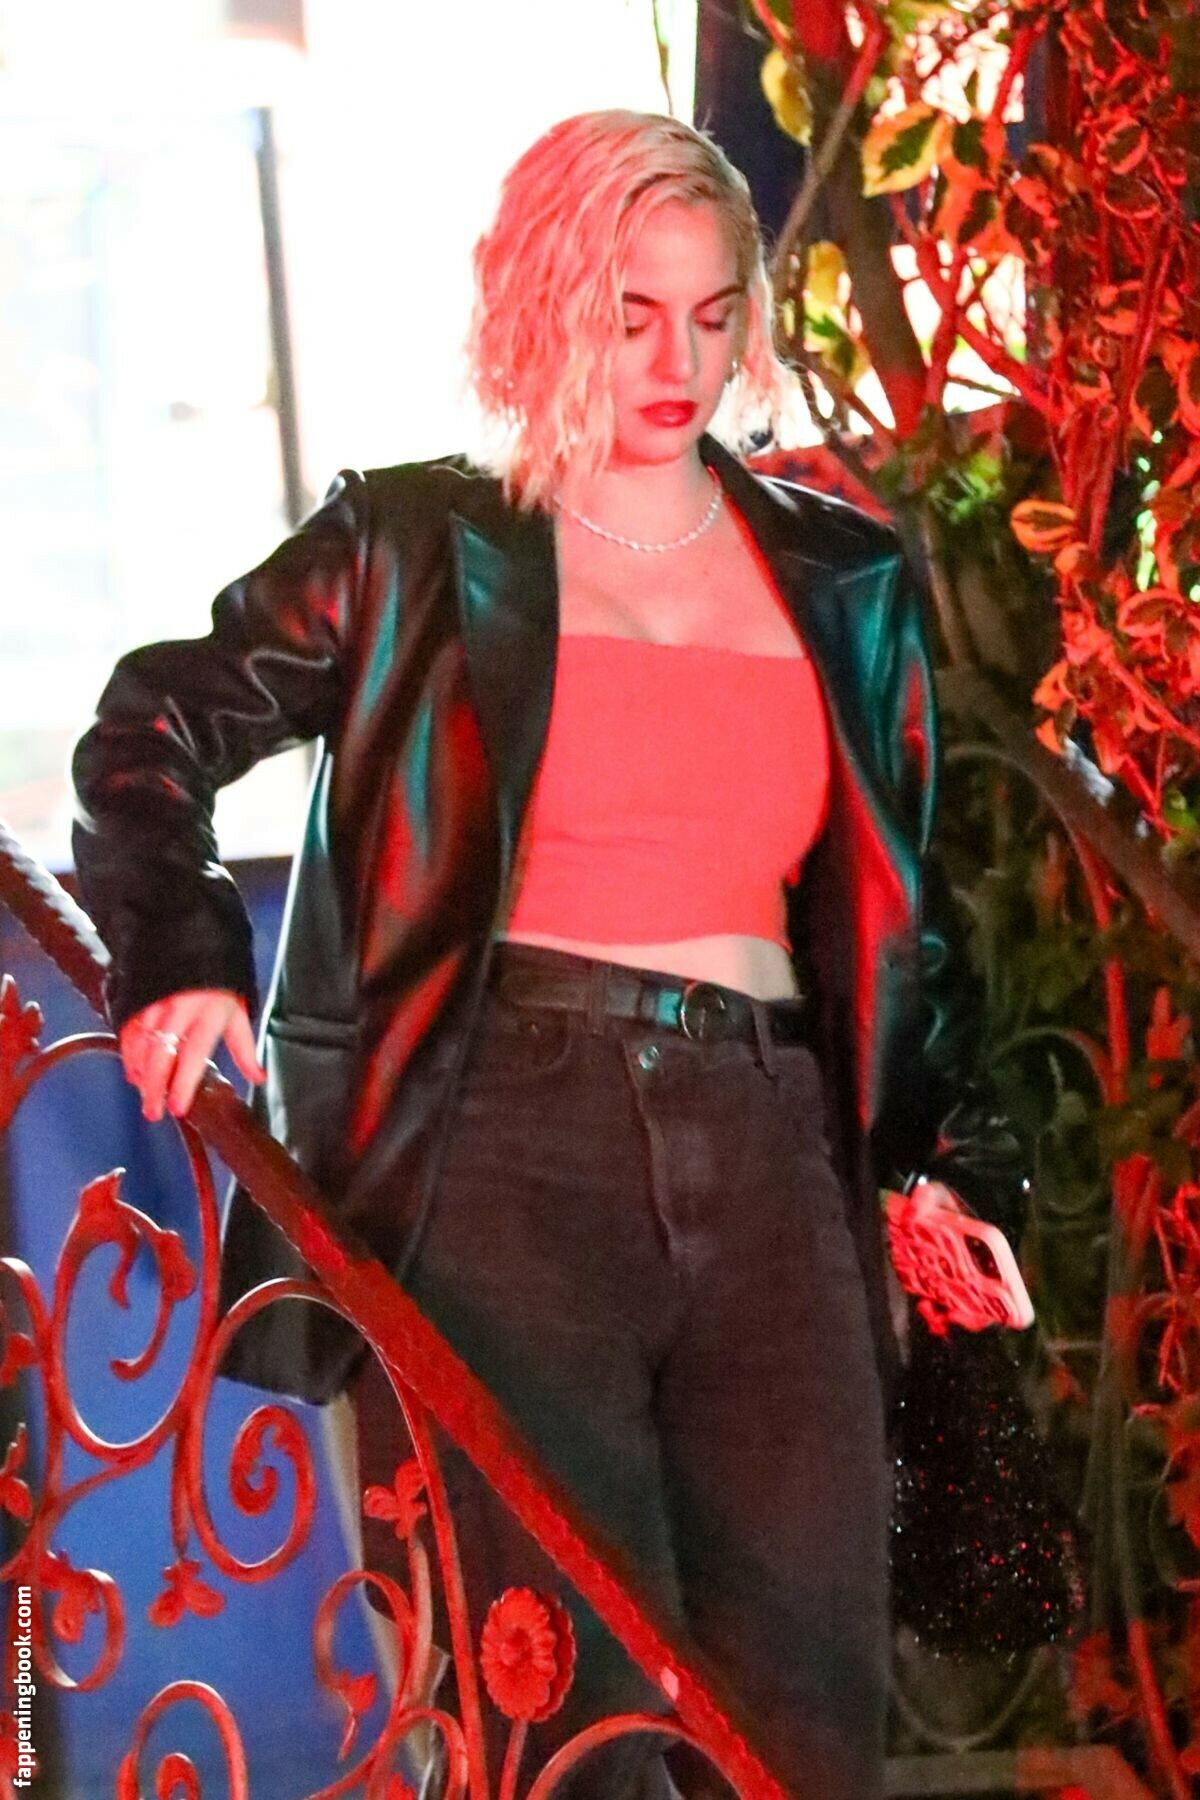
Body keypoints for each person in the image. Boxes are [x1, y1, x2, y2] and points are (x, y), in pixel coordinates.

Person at [72, 110, 980, 1800]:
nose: (678, 362)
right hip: (503, 1149)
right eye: (633, 315)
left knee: (803, 1726)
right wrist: (182, 952)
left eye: (712, 316)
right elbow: (149, 730)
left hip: (776, 1147)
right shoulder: (417, 546)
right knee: (559, 1714)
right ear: (546, 303)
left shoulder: (843, 578)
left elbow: (912, 912)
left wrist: (941, 1163)